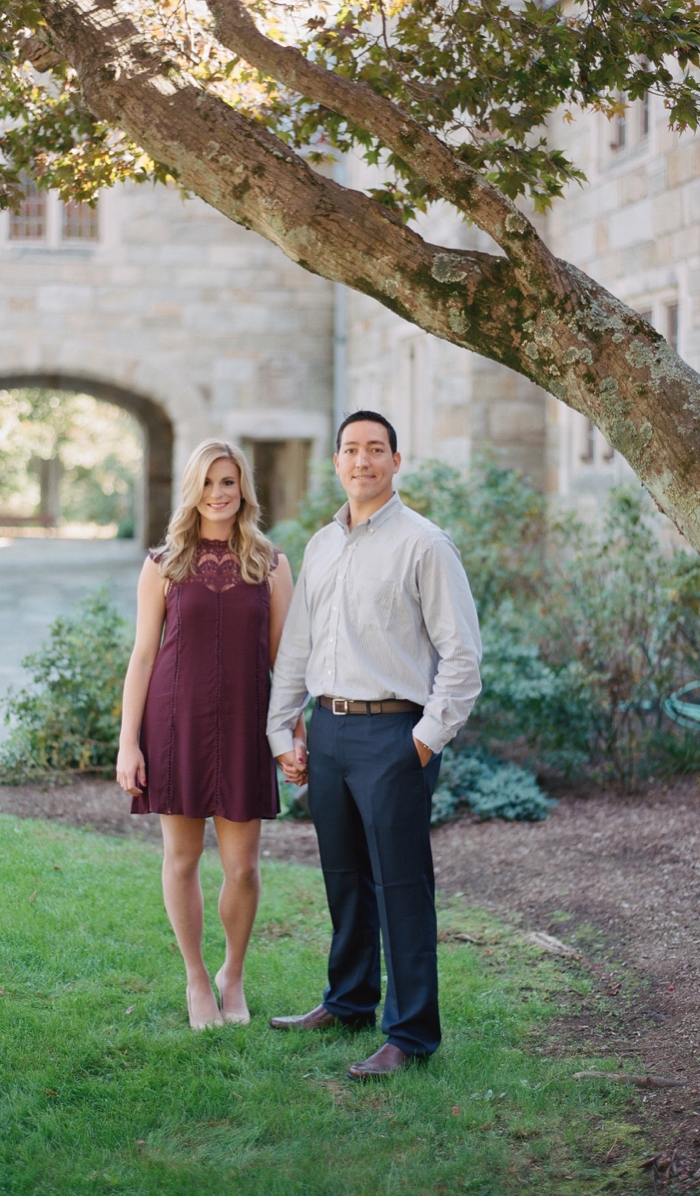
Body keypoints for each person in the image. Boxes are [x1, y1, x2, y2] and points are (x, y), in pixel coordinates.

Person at [266, 411, 481, 1078]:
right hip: (328, 732)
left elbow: (462, 655)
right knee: (345, 880)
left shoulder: (425, 544)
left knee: (400, 886)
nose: (362, 460)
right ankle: (351, 999)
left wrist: (423, 740)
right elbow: (298, 642)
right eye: (351, 449)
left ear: (395, 461)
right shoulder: (322, 544)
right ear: (336, 462)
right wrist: (283, 727)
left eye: (376, 449)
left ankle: (411, 1033)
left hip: (394, 734)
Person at [116, 439, 306, 1031]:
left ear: (243, 487)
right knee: (181, 857)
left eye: (228, 482)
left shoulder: (271, 564)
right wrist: (128, 742)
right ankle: (197, 979)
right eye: (208, 483)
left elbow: (286, 659)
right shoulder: (163, 563)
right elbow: (144, 656)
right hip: (174, 724)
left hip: (247, 723)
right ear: (191, 490)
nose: (219, 494)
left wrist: (293, 732)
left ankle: (234, 974)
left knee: (243, 868)